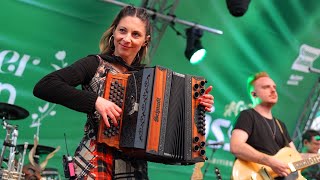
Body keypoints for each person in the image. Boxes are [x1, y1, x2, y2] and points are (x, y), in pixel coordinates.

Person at [33, 5, 214, 180]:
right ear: (113, 32)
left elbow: (169, 122)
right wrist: (96, 101)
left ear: (146, 41)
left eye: (136, 34)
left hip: (134, 167)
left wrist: (196, 107)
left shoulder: (150, 79)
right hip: (96, 159)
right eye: (122, 31)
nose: (127, 39)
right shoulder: (95, 64)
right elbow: (45, 85)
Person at [230, 72, 300, 179]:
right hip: (256, 175)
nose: (273, 90)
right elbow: (236, 146)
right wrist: (270, 161)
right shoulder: (248, 115)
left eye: (274, 87)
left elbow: (296, 157)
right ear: (254, 94)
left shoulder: (280, 125)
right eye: (266, 87)